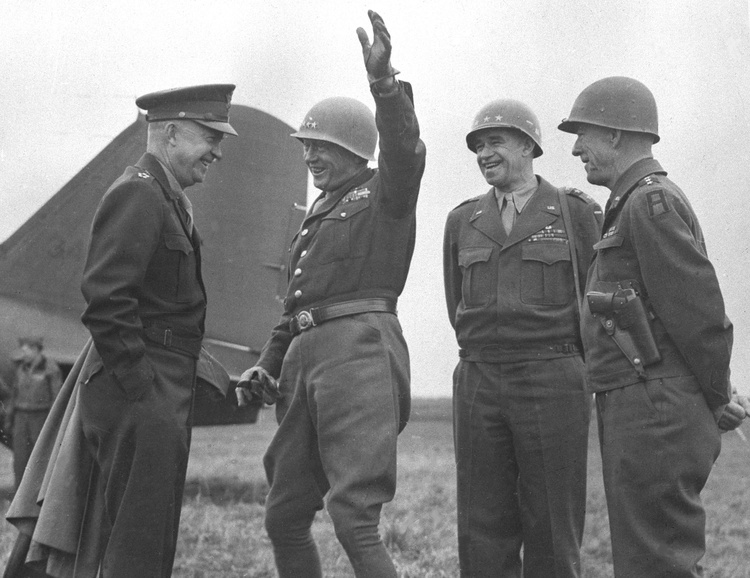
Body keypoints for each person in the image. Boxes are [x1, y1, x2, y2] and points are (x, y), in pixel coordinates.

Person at [4, 84, 237, 578]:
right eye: (210, 137)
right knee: (135, 547)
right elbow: (107, 300)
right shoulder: (139, 193)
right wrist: (142, 392)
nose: (217, 152)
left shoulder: (166, 199)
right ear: (170, 134)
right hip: (142, 393)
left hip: (160, 389)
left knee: (145, 541)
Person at [235, 10, 425, 578]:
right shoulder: (316, 213)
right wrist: (267, 364)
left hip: (358, 357)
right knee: (284, 516)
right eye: (306, 145)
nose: (310, 155)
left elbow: (405, 149)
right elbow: (294, 308)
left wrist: (384, 85)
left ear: (354, 150)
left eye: (321, 145)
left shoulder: (386, 192)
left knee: (353, 519)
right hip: (305, 361)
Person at [558, 76, 749, 577]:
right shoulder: (632, 203)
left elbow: (700, 315)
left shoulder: (648, 203)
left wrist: (717, 397)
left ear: (615, 134)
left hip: (654, 413)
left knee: (657, 563)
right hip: (641, 406)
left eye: (583, 134)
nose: (576, 149)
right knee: (646, 560)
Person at [443, 100, 602, 577]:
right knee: (480, 522)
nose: (484, 154)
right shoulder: (462, 220)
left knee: (552, 521)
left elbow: (594, 296)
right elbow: (456, 303)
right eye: (478, 146)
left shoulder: (574, 212)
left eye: (495, 142)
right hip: (478, 378)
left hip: (553, 376)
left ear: (529, 147)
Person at [7, 337, 62, 489]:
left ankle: (40, 493)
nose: (23, 354)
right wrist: (9, 418)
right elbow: (14, 394)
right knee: (20, 459)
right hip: (21, 417)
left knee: (40, 457)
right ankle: (19, 495)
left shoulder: (50, 368)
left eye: (26, 351)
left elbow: (57, 397)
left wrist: (53, 422)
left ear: (35, 350)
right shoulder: (21, 368)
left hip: (40, 417)